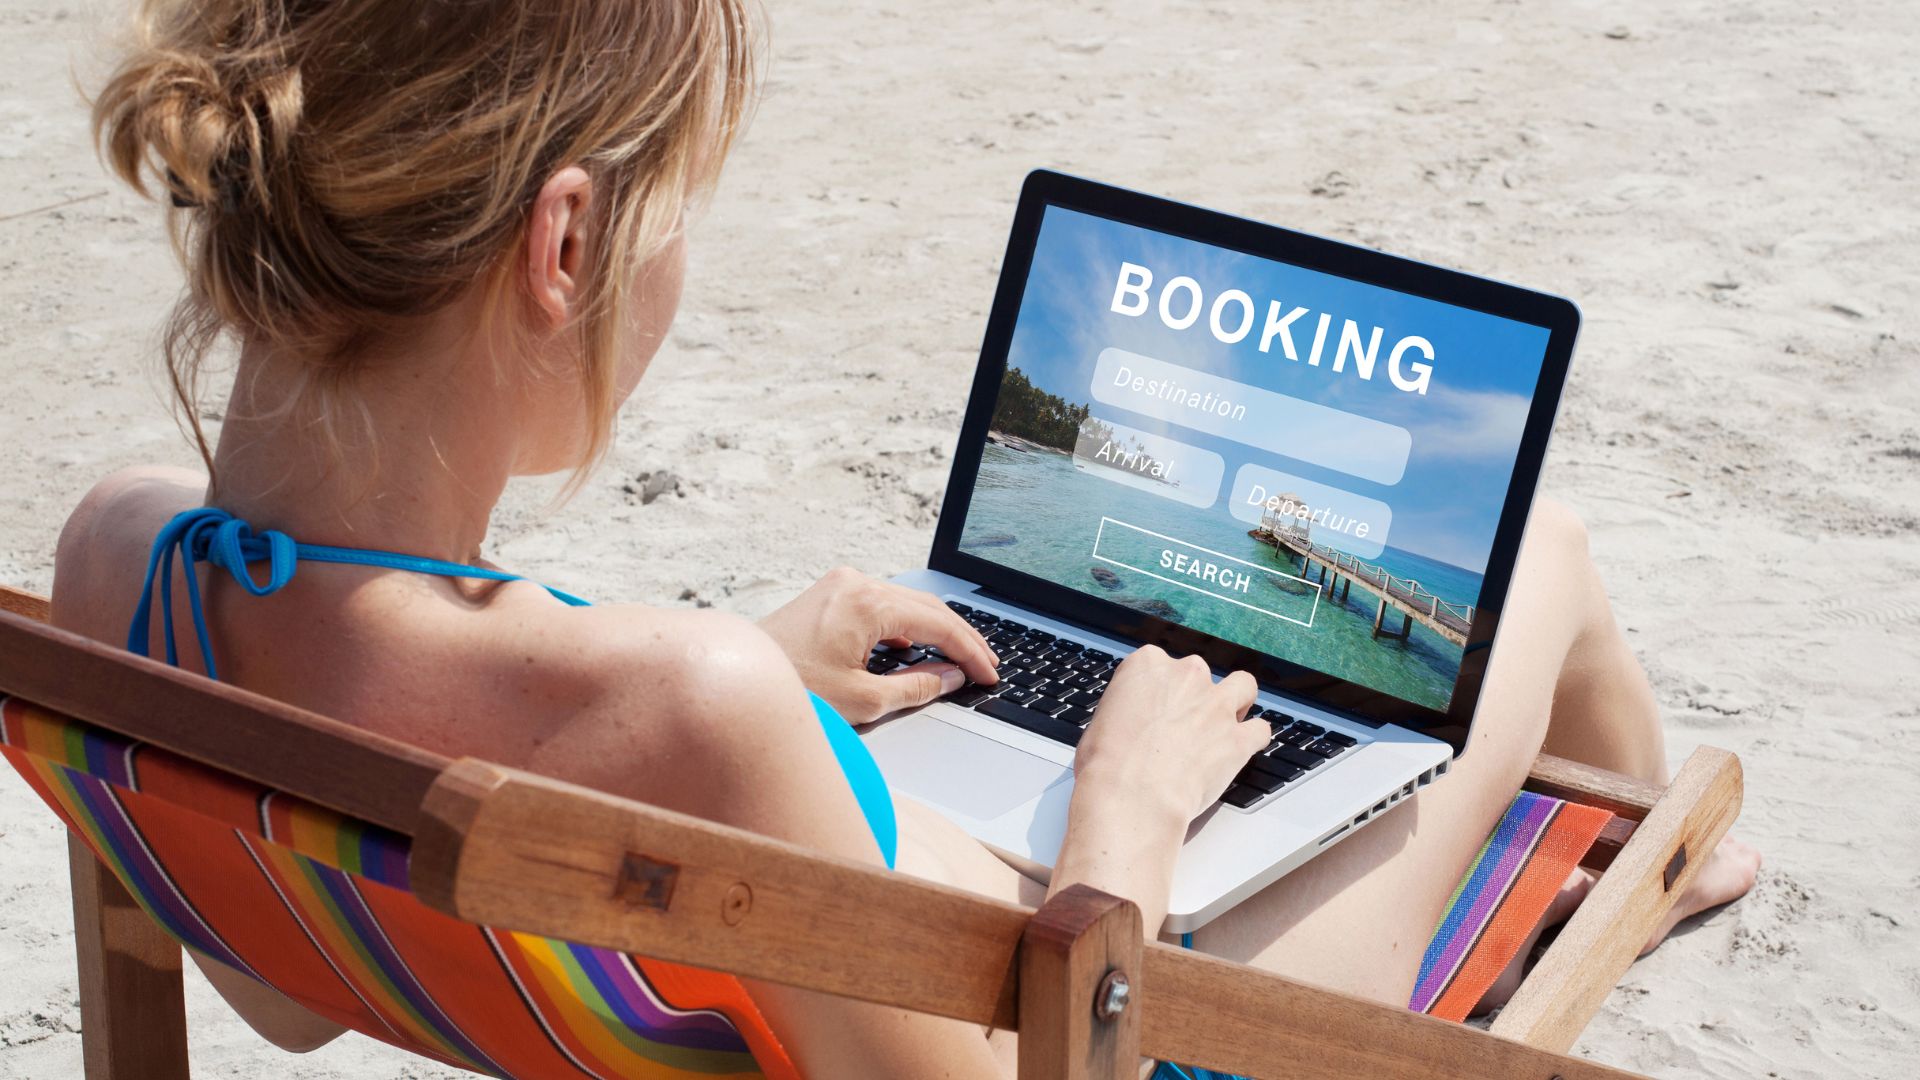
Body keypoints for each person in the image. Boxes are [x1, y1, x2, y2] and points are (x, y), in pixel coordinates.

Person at [49, 1, 1759, 1076]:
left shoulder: (119, 565)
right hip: (1146, 1013)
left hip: (883, 928)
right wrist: (1125, 818)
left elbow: (277, 988)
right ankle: (1668, 850)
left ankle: (1668, 853)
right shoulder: (689, 704)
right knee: (1527, 546)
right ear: (561, 248)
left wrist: (752, 689)